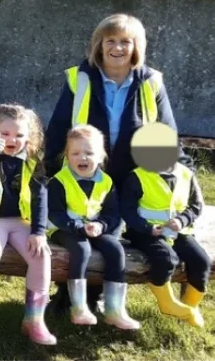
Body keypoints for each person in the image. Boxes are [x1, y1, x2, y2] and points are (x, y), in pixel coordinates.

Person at [43, 13, 193, 315]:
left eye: (126, 41)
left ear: (137, 46)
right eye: (110, 40)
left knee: (108, 234)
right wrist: (48, 168)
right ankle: (69, 295)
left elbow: (166, 132)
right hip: (85, 170)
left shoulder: (151, 82)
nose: (118, 48)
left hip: (132, 174)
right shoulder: (78, 78)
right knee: (78, 230)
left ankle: (99, 296)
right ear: (98, 45)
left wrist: (183, 170)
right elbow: (59, 127)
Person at [0, 104, 55, 346]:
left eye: (19, 135)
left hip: (19, 222)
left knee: (41, 255)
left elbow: (40, 198)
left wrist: (38, 232)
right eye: (5, 133)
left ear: (29, 137)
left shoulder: (32, 162)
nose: (12, 139)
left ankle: (34, 319)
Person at [46, 124, 139, 330]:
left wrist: (101, 225)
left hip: (94, 228)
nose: (82, 158)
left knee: (115, 249)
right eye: (75, 153)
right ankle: (78, 307)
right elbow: (55, 214)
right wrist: (79, 227)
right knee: (82, 249)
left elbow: (112, 214)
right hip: (64, 230)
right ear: (67, 156)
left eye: (89, 153)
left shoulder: (106, 182)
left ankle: (114, 309)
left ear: (101, 156)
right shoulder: (58, 182)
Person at [121, 124, 211, 328]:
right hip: (145, 233)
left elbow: (196, 205)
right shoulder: (137, 177)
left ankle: (190, 306)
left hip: (179, 231)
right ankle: (167, 303)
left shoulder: (186, 174)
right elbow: (126, 209)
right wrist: (147, 228)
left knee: (201, 261)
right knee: (166, 258)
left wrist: (182, 220)